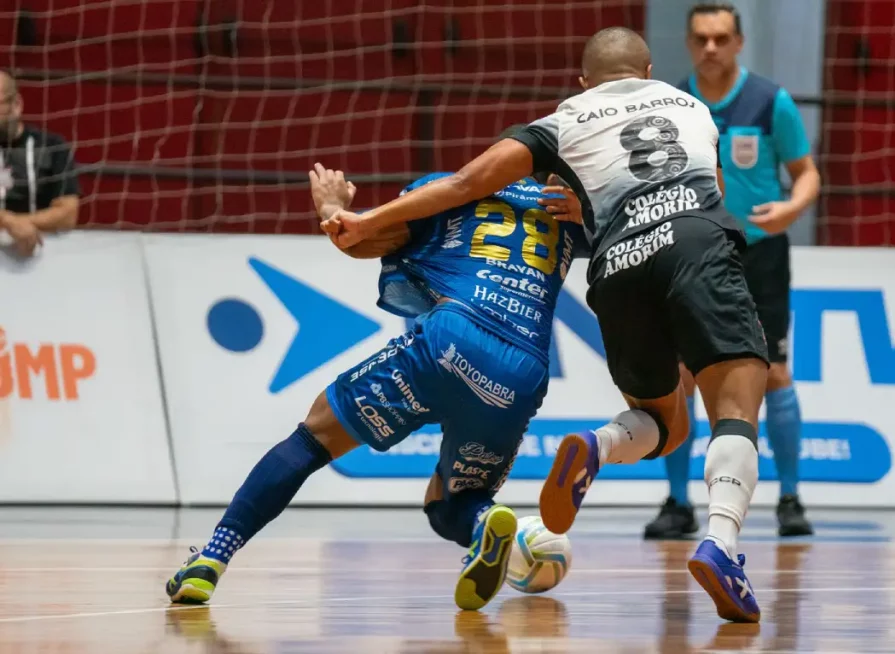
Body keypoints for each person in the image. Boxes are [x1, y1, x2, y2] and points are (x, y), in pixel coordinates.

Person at [323, 27, 769, 624]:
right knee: (735, 408)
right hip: (694, 242)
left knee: (668, 423)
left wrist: (365, 217)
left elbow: (463, 184)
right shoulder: (691, 105)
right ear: (648, 68)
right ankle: (722, 544)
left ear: (583, 82)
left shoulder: (561, 122)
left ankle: (599, 444)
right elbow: (708, 189)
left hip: (616, 267)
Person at [165, 145, 587, 612]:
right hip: (524, 369)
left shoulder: (447, 188)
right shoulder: (566, 216)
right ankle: (482, 524)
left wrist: (331, 208)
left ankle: (210, 560)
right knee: (451, 501)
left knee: (313, 438)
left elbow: (361, 240)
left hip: (455, 336)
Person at [647, 3, 820, 540]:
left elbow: (806, 173)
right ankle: (678, 503)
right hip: (693, 253)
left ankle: (790, 498)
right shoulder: (672, 105)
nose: (711, 48)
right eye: (701, 38)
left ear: (739, 42)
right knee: (681, 375)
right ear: (688, 41)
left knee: (771, 374)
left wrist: (793, 208)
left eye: (721, 38)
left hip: (761, 254)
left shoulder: (772, 102)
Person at [0, 71, 79, 258]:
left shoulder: (51, 146)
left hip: (43, 255)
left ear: (16, 105)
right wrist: (8, 221)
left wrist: (21, 223)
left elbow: (68, 214)